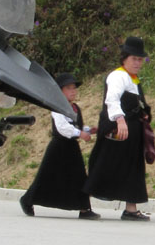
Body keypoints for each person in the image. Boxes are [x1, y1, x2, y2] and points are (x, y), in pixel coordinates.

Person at [83, 36, 152, 221]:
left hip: (132, 131)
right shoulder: (118, 75)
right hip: (118, 130)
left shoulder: (132, 78)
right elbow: (112, 99)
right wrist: (120, 121)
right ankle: (83, 204)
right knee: (105, 165)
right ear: (124, 58)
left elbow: (134, 102)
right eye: (134, 59)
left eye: (140, 59)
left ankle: (131, 208)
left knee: (133, 168)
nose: (138, 63)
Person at [19, 72, 100, 220]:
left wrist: (88, 130)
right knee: (46, 176)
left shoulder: (75, 108)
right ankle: (27, 199)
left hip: (71, 148)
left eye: (74, 88)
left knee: (79, 177)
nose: (73, 91)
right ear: (60, 91)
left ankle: (84, 208)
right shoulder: (57, 108)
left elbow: (76, 126)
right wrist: (80, 134)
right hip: (58, 148)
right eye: (69, 88)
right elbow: (62, 127)